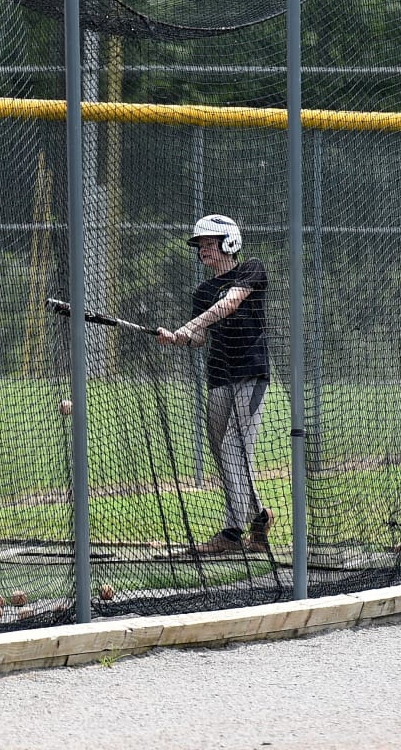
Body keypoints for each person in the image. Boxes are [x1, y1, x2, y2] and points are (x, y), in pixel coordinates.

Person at [158, 213, 273, 556]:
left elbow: (231, 303)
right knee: (222, 454)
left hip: (250, 373)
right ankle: (259, 517)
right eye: (200, 245)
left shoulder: (251, 269)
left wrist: (190, 324)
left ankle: (232, 532)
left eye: (209, 243)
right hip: (219, 377)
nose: (203, 250)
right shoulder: (202, 291)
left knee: (234, 448)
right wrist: (180, 338)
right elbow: (199, 339)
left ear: (229, 242)